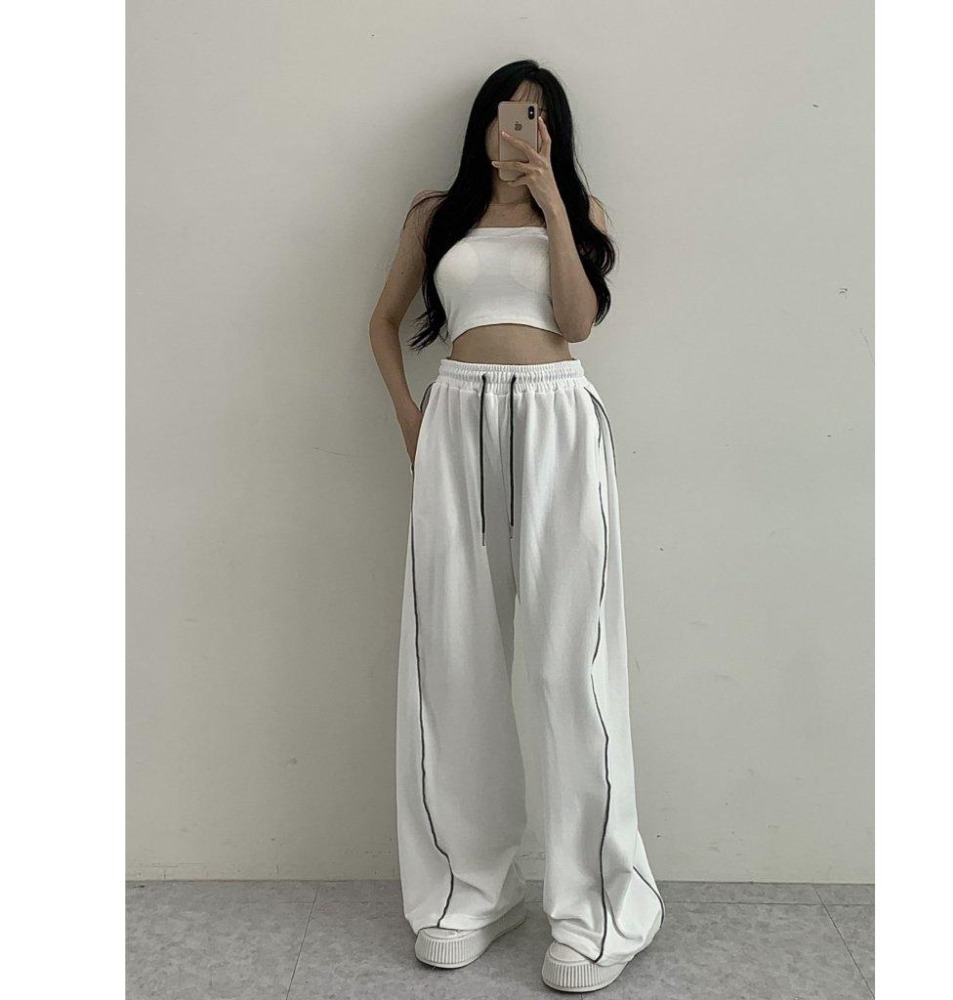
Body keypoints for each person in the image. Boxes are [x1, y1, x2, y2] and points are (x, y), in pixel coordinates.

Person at [369, 60, 664, 993]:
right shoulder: (436, 215)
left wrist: (553, 208)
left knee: (572, 663)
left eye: (535, 118)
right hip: (455, 417)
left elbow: (578, 322)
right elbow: (381, 324)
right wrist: (412, 420)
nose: (517, 132)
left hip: (558, 419)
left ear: (552, 129)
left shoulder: (580, 209)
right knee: (452, 655)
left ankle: (600, 908)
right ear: (483, 124)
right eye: (507, 116)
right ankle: (474, 890)